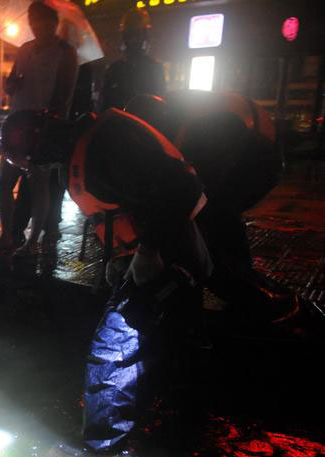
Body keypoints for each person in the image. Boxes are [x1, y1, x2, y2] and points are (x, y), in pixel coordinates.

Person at [0, 107, 212, 453]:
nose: (36, 168)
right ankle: (184, 425)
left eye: (31, 161)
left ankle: (103, 448)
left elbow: (178, 188)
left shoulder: (106, 145)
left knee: (112, 349)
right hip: (157, 257)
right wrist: (121, 258)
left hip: (169, 257)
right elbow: (123, 205)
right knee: (175, 337)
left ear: (39, 143)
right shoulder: (87, 145)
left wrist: (149, 251)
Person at [124, 90, 293, 322]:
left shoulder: (202, 128)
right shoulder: (173, 120)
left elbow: (200, 185)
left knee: (217, 214)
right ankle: (236, 277)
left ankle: (245, 289)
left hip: (260, 159)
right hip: (237, 150)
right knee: (210, 214)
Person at [0, 0, 78, 257]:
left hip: (43, 126)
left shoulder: (65, 53)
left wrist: (50, 123)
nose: (37, 27)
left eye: (43, 22)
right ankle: (7, 236)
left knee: (39, 185)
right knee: (4, 182)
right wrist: (12, 84)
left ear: (54, 23)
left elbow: (64, 94)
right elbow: (11, 84)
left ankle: (33, 242)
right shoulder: (24, 49)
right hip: (17, 123)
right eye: (33, 22)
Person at [99, 7, 166, 112]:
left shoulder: (154, 68)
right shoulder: (114, 69)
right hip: (126, 120)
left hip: (132, 120)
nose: (133, 40)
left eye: (137, 35)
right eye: (130, 35)